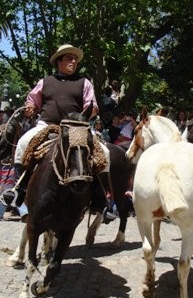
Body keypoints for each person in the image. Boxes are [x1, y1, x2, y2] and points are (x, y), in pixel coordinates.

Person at [1, 44, 117, 222]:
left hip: (76, 128)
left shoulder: (84, 82)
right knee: (23, 143)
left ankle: (101, 200)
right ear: (59, 62)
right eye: (69, 58)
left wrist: (89, 112)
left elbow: (92, 106)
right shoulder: (45, 81)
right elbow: (33, 100)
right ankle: (18, 190)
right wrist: (31, 107)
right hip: (47, 125)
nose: (73, 62)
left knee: (105, 153)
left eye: (75, 59)